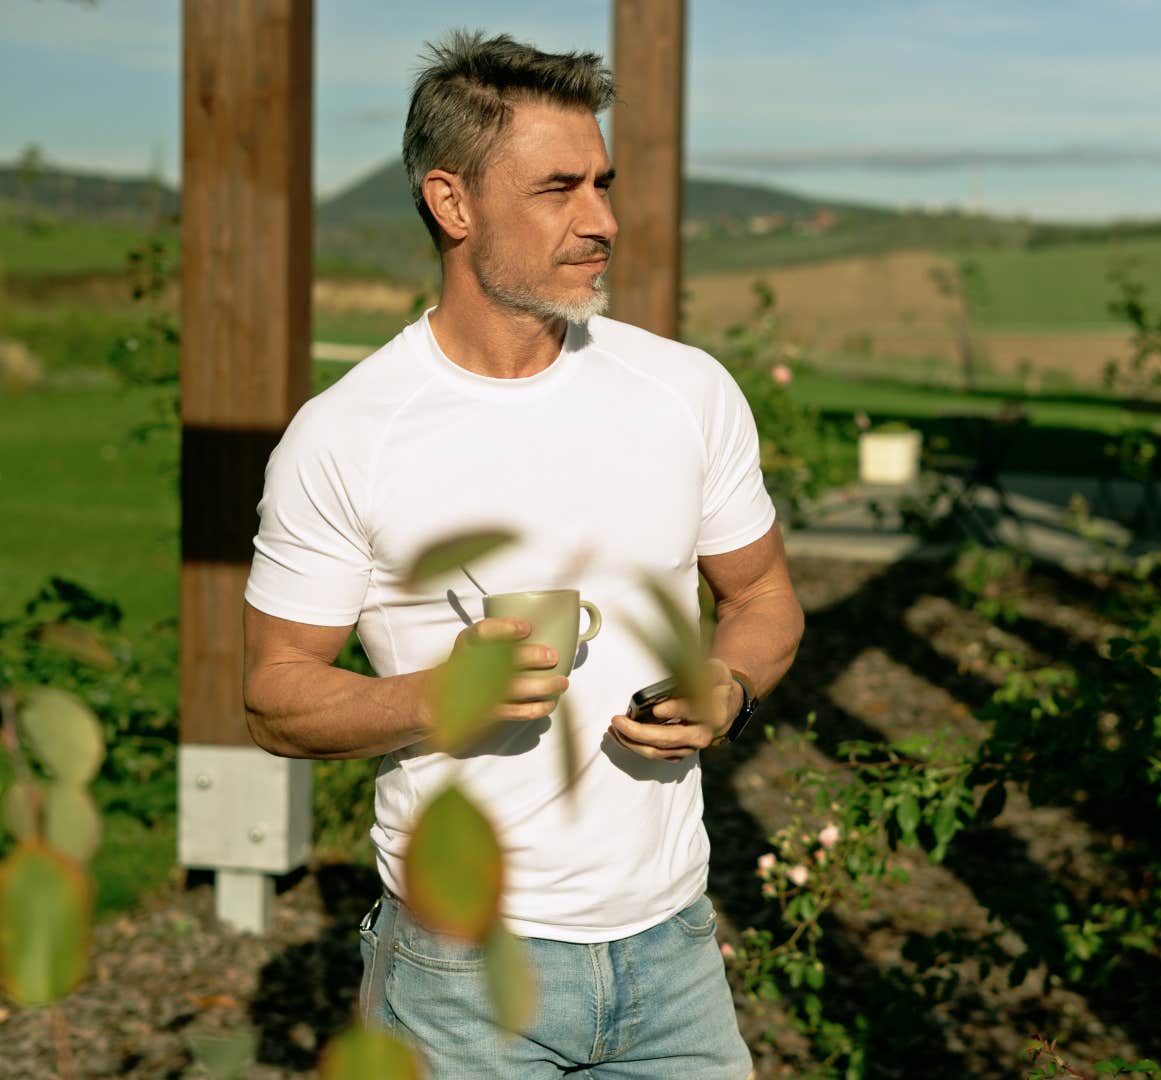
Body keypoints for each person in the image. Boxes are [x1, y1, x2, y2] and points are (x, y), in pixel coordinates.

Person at [240, 30, 801, 1079]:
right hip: (459, 979)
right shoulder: (349, 432)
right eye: (558, 189)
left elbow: (763, 593)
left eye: (602, 183)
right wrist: (441, 696)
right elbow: (275, 697)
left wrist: (730, 684)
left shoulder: (685, 392)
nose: (603, 221)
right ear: (452, 204)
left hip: (675, 956)